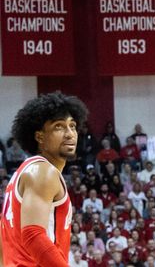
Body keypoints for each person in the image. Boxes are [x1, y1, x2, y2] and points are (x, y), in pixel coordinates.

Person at [0, 92, 89, 267]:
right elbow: (33, 234)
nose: (70, 134)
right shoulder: (43, 172)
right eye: (59, 127)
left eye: (72, 126)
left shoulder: (21, 175)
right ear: (40, 136)